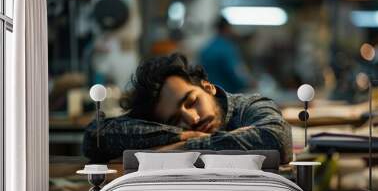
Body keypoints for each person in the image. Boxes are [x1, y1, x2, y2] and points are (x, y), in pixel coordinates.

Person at [83, 53, 292, 163]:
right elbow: (96, 136)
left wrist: (174, 150)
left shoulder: (250, 106)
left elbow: (275, 139)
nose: (192, 119)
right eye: (174, 121)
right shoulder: (170, 127)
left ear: (207, 87)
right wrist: (183, 137)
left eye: (191, 102)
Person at [199, 17, 250, 93]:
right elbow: (235, 73)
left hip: (209, 93)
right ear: (227, 28)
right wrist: (248, 83)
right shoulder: (227, 49)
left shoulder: (206, 49)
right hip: (226, 94)